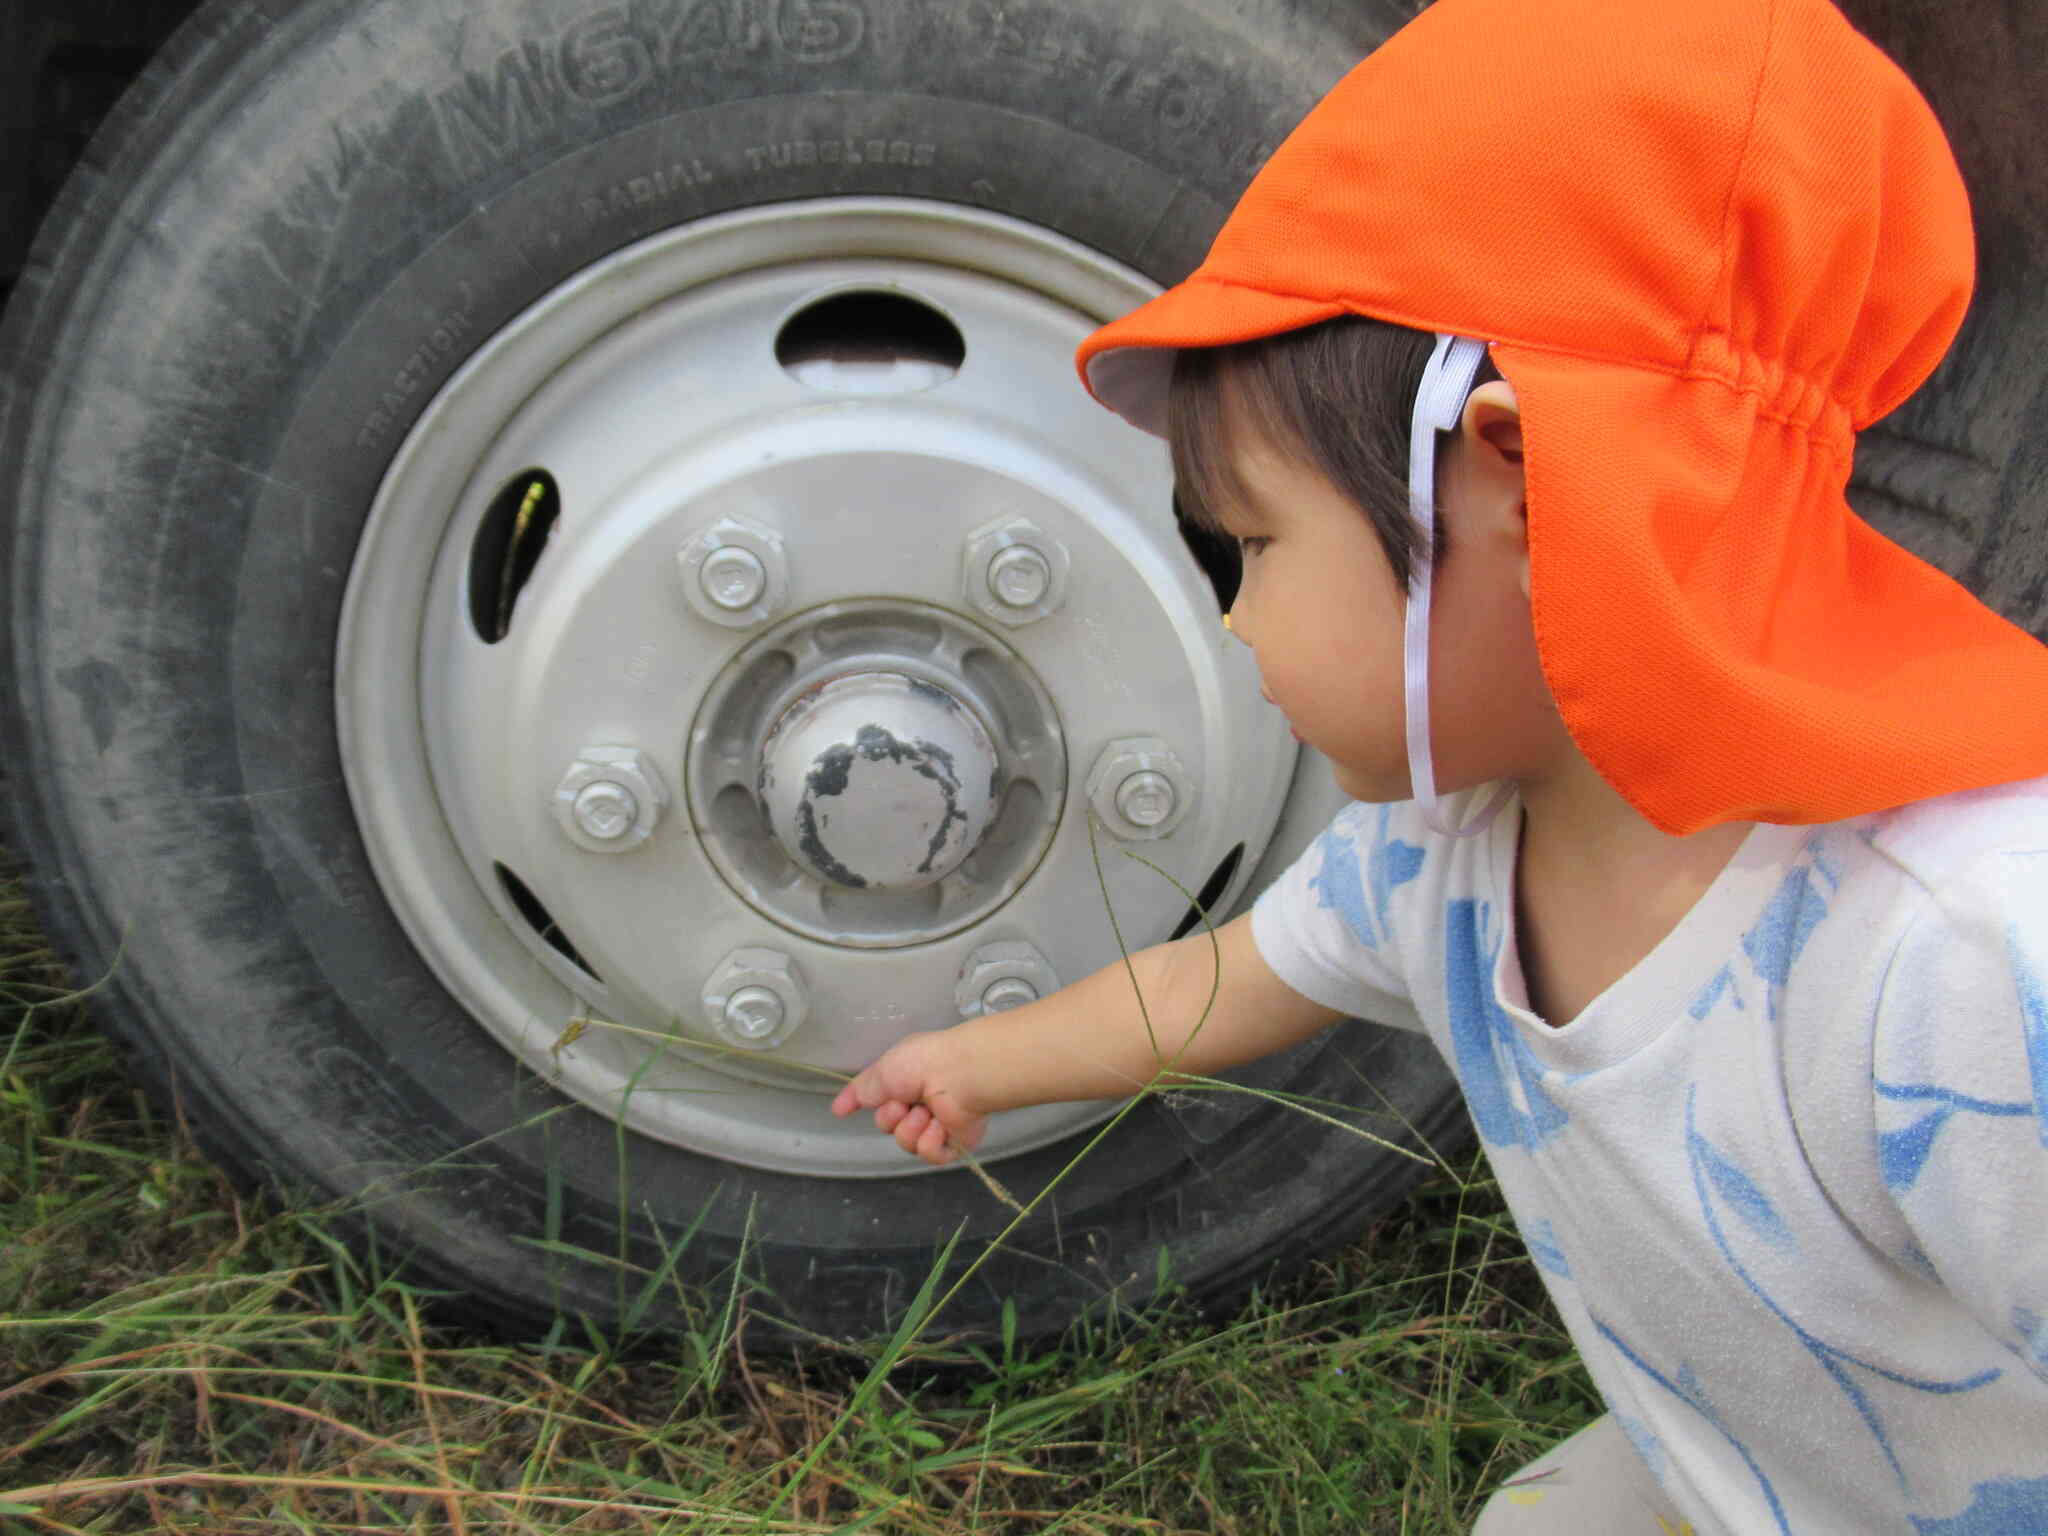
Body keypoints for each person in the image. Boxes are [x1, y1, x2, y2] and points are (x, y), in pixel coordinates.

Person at [832, 0, 2048, 1527]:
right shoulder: (1454, 855)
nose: (1239, 621)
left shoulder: (1961, 959)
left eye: (1255, 547)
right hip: (1753, 1469)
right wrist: (973, 1066)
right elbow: (1227, 981)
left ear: (1517, 474)